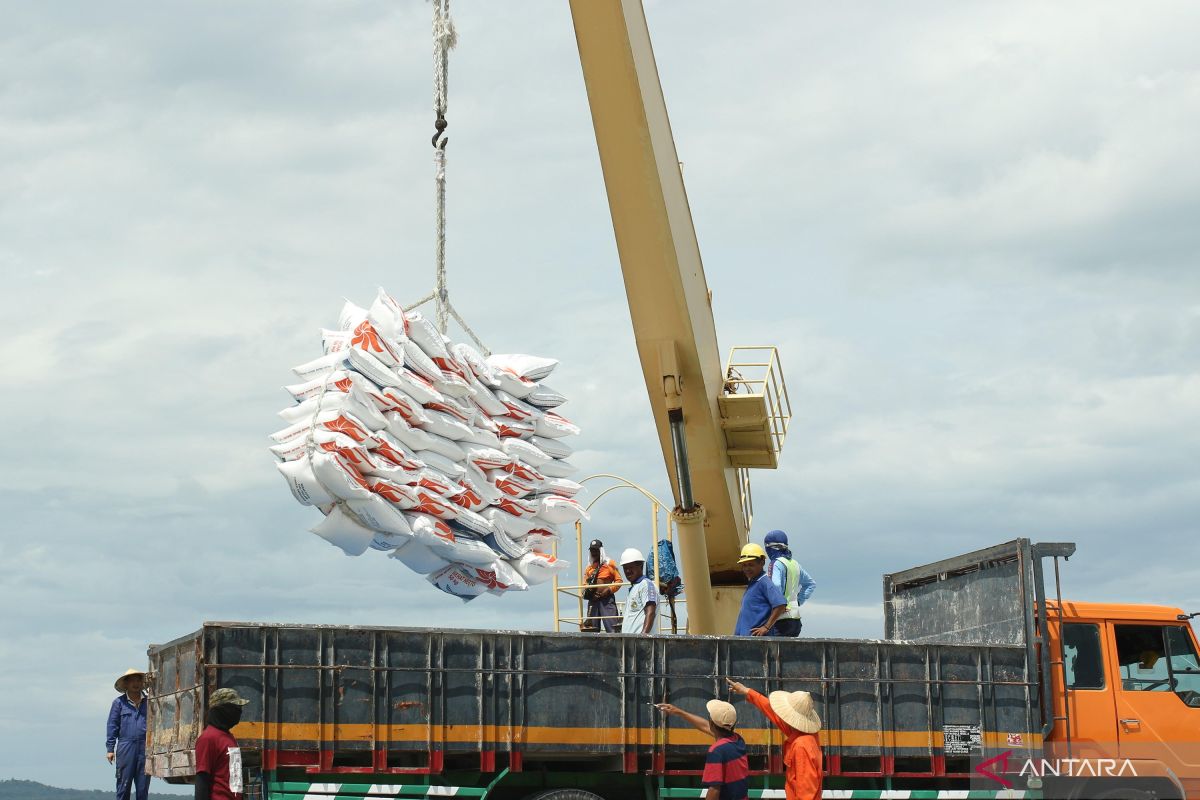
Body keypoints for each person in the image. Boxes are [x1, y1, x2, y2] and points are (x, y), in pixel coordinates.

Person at [726, 678, 822, 800]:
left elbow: (806, 792)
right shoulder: (808, 735)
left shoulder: (801, 746)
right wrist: (747, 691)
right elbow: (772, 712)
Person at [655, 699, 748, 800]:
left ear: (712, 724)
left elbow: (714, 790)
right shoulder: (738, 740)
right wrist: (679, 712)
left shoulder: (717, 751)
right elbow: (704, 726)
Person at [195, 688, 250, 800]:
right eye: (235, 707)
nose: (239, 711)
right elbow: (202, 780)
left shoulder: (229, 737)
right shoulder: (208, 739)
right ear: (222, 710)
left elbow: (235, 781)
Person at [106, 668, 150, 800]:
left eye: (138, 680)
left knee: (143, 788)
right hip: (126, 747)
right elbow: (112, 725)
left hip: (145, 747)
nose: (135, 683)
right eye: (132, 681)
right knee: (123, 787)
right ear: (126, 684)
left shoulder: (150, 702)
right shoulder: (119, 703)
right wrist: (110, 749)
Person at [763, 530, 816, 636]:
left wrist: (779, 604)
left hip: (780, 620)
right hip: (795, 620)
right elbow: (810, 584)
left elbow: (776, 585)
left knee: (773, 652)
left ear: (769, 547)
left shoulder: (776, 563)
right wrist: (798, 601)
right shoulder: (795, 564)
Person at [734, 543, 787, 637]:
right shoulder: (753, 583)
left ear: (762, 562)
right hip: (745, 640)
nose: (747, 568)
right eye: (744, 565)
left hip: (757, 642)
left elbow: (781, 604)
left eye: (751, 565)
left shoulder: (764, 582)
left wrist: (766, 627)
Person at [582, 539, 622, 632]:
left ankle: (615, 645)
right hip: (593, 601)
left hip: (607, 600)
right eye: (592, 550)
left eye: (596, 550)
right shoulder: (589, 568)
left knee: (612, 629)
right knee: (592, 630)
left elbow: (619, 581)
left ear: (601, 550)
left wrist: (608, 590)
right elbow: (584, 584)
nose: (594, 552)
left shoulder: (609, 564)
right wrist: (591, 593)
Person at [619, 547, 658, 635]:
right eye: (625, 568)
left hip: (640, 644)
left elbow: (650, 612)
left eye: (631, 567)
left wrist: (642, 638)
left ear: (640, 566)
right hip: (630, 642)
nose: (628, 571)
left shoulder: (646, 585)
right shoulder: (635, 588)